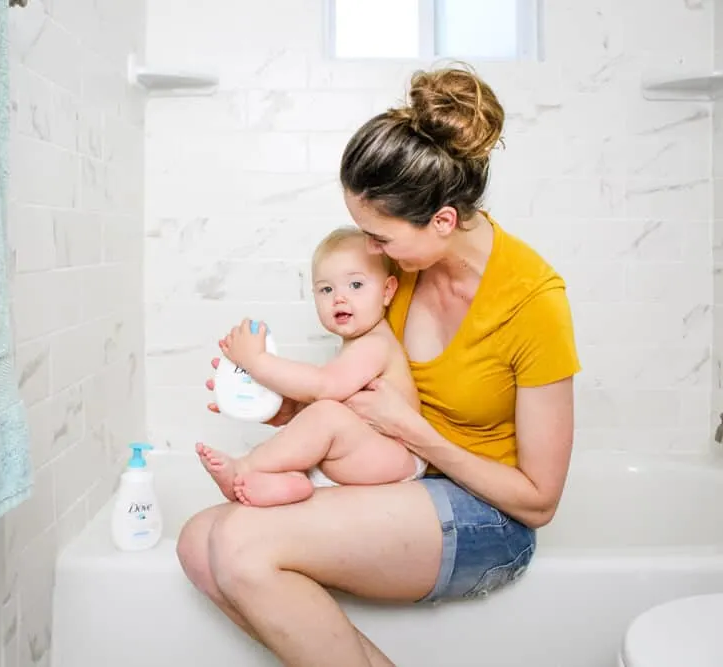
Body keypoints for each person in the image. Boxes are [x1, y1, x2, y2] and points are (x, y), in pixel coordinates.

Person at [175, 63, 581, 667]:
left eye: (380, 237)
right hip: (407, 484)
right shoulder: (400, 277)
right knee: (196, 544)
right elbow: (367, 397)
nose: (368, 250)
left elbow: (539, 502)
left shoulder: (532, 303)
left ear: (442, 221)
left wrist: (414, 432)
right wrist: (287, 411)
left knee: (236, 541)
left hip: (489, 521)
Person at [196, 226, 427, 508]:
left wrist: (257, 362)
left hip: (396, 456)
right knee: (316, 421)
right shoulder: (354, 346)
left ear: (387, 291)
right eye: (326, 289)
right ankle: (290, 480)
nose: (339, 298)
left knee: (326, 414)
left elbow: (324, 386)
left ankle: (246, 467)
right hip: (368, 453)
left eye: (356, 285)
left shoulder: (376, 343)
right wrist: (262, 397)